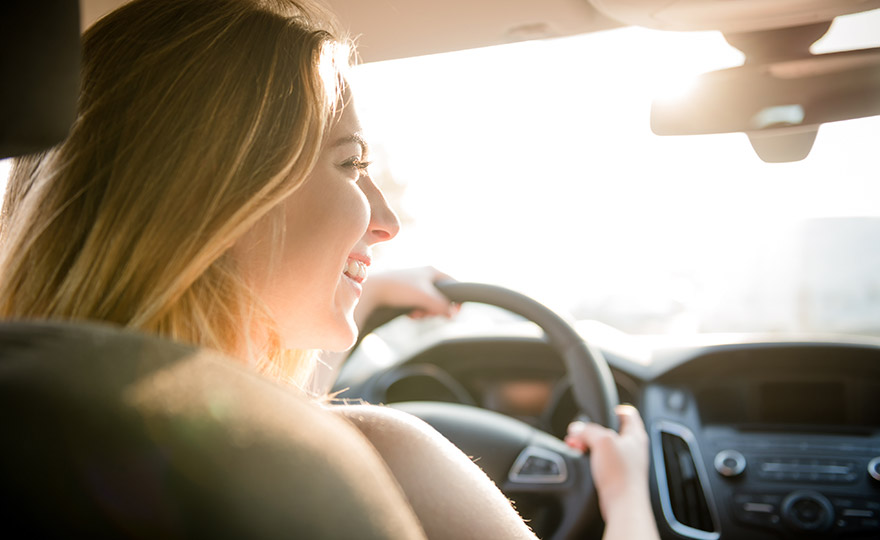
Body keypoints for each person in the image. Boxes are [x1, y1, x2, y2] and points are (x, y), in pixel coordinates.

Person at [0, 0, 659, 538]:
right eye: (350, 164)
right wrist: (628, 502)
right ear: (222, 198)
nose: (386, 221)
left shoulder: (34, 430)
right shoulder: (384, 462)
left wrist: (365, 295)